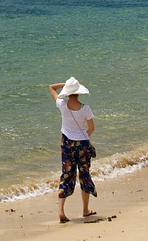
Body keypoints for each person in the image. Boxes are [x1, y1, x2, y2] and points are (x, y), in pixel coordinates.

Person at [48, 77, 96, 223]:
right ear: (79, 92)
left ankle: (61, 210)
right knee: (84, 175)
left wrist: (65, 85)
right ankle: (85, 210)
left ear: (68, 92)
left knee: (67, 175)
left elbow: (51, 87)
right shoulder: (85, 109)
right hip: (82, 145)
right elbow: (91, 128)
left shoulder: (62, 104)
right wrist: (82, 138)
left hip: (67, 144)